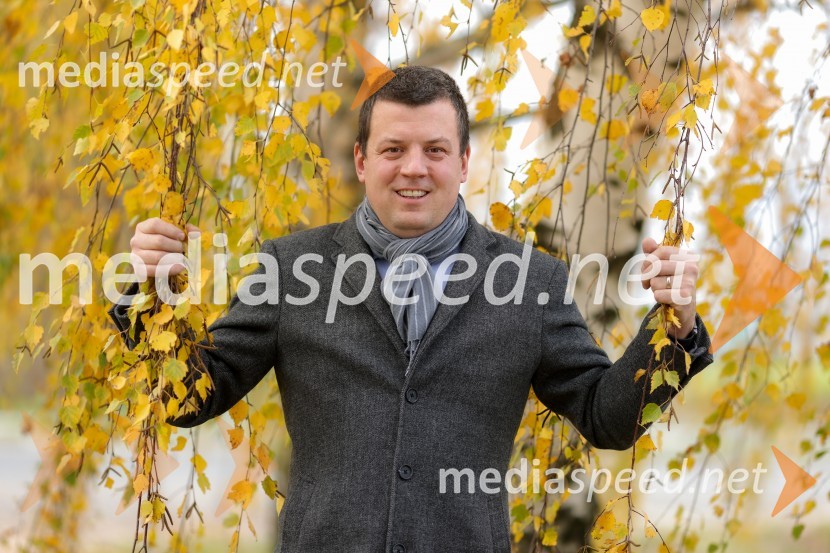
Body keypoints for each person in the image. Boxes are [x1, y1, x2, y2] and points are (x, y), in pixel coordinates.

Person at [109, 66, 713, 553]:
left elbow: (609, 419)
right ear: (363, 160)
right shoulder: (291, 269)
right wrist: (146, 294)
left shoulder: (531, 282)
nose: (414, 167)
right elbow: (188, 397)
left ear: (464, 162)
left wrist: (676, 327)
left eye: (435, 149)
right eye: (393, 148)